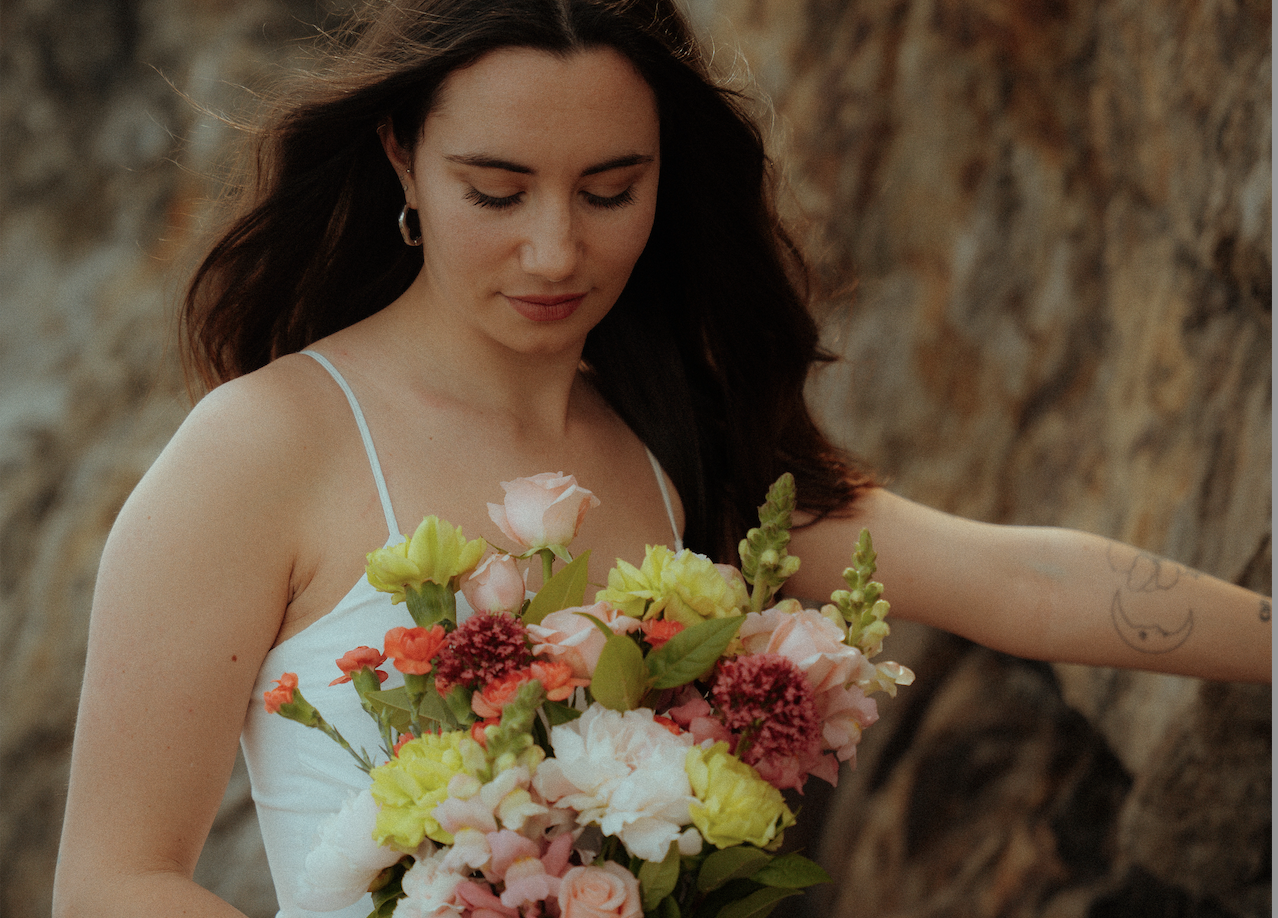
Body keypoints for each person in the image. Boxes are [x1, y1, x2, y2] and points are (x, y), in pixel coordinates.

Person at [52, 1, 1270, 916]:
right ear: (400, 159)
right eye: (497, 192)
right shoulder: (264, 448)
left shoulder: (676, 430)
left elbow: (1014, 579)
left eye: (609, 191)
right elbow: (112, 879)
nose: (554, 251)